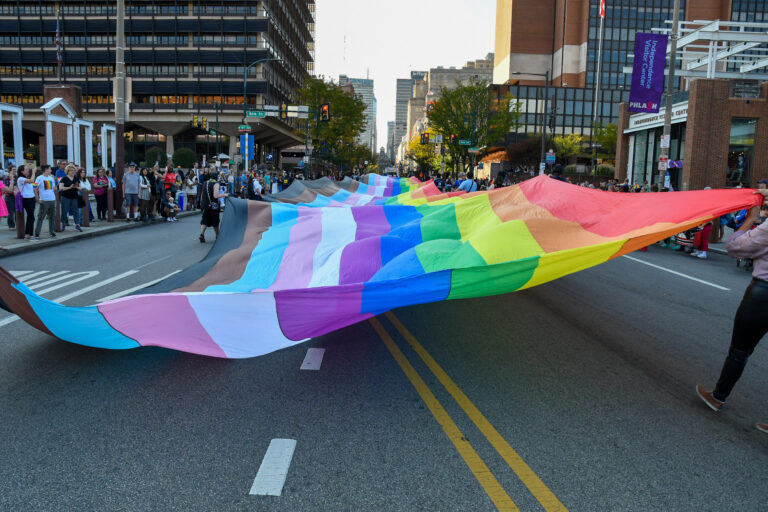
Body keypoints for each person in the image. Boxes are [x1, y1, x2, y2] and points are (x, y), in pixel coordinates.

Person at [696, 188, 768, 434]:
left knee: (740, 350)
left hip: (763, 295)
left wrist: (750, 219)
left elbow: (736, 247)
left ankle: (718, 396)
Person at [199, 171, 228, 243]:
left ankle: (202, 234)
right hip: (213, 205)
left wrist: (201, 203)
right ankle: (217, 235)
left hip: (204, 204)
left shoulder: (205, 183)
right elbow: (215, 196)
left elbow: (202, 194)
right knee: (215, 221)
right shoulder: (216, 184)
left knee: (204, 220)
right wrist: (225, 195)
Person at [34, 164, 57, 238]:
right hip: (44, 200)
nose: (51, 170)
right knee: (41, 217)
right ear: (46, 170)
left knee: (52, 217)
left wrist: (57, 185)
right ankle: (37, 232)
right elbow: (34, 188)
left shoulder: (51, 178)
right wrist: (38, 199)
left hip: (52, 199)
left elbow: (53, 188)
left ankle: (52, 231)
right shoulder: (39, 178)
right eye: (50, 169)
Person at [58, 164, 82, 231]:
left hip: (74, 196)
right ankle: (63, 224)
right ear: (67, 171)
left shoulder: (76, 178)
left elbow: (80, 187)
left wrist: (76, 187)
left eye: (73, 170)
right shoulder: (64, 178)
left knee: (75, 211)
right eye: (71, 171)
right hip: (65, 196)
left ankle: (77, 224)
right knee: (64, 211)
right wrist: (69, 187)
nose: (72, 172)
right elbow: (60, 188)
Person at [16, 166, 37, 240]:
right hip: (26, 199)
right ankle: (31, 235)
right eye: (26, 169)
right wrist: (33, 172)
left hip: (31, 198)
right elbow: (31, 180)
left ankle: (27, 234)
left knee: (30, 216)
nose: (28, 170)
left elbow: (32, 185)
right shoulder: (20, 179)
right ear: (22, 171)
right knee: (32, 217)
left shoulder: (26, 178)